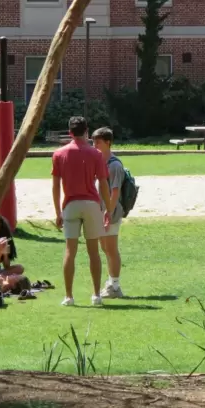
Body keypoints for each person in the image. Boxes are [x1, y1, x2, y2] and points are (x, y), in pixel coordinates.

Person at [52, 116, 113, 307]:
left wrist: (57, 211)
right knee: (93, 251)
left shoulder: (59, 153)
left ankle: (69, 296)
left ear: (70, 132)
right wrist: (108, 209)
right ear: (86, 131)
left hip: (70, 204)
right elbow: (103, 184)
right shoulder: (96, 154)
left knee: (70, 251)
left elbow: (55, 186)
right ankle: (96, 295)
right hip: (91, 203)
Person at [92, 126, 125, 299]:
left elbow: (115, 192)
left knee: (111, 249)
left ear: (108, 142)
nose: (94, 144)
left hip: (110, 212)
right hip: (100, 211)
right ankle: (111, 282)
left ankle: (116, 286)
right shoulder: (100, 162)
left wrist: (109, 213)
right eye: (93, 141)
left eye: (98, 141)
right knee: (105, 248)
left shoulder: (114, 166)